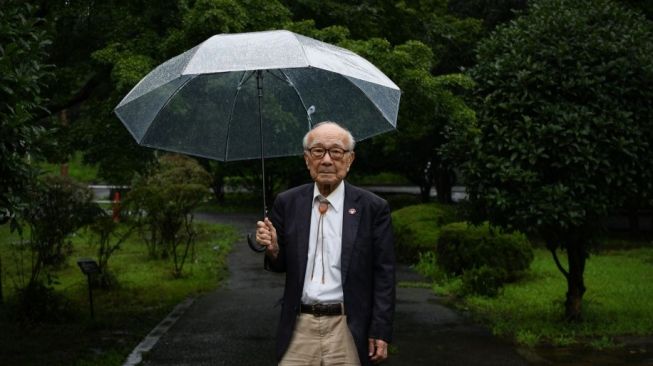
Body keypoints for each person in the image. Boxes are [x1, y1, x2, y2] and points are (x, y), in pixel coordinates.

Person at [256, 121, 396, 365]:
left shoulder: (372, 208)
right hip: (300, 326)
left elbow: (384, 273)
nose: (327, 160)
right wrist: (274, 249)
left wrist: (380, 330)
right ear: (307, 159)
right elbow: (279, 264)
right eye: (318, 151)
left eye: (337, 152)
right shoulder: (288, 203)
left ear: (350, 159)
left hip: (347, 326)